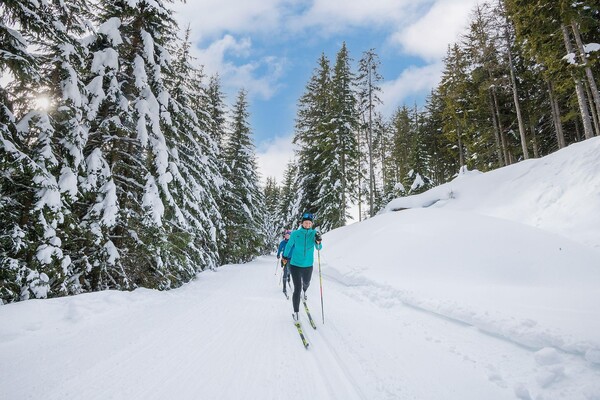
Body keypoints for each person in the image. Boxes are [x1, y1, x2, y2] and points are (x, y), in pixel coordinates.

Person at [282, 212, 322, 321]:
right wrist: (285, 256)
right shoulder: (295, 234)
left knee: (306, 283)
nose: (308, 225)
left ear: (311, 224)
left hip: (308, 265)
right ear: (302, 223)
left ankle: (305, 291)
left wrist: (318, 241)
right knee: (297, 288)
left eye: (309, 223)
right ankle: (296, 312)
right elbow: (289, 245)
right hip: (295, 265)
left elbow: (318, 248)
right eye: (306, 223)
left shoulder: (314, 233)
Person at [276, 229, 292, 296]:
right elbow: (279, 249)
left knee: (290, 271)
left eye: (288, 235)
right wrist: (278, 254)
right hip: (285, 259)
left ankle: (289, 275)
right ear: (284, 236)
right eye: (286, 235)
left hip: (292, 259)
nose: (287, 236)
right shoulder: (283, 242)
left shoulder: (292, 242)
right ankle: (284, 287)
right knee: (285, 271)